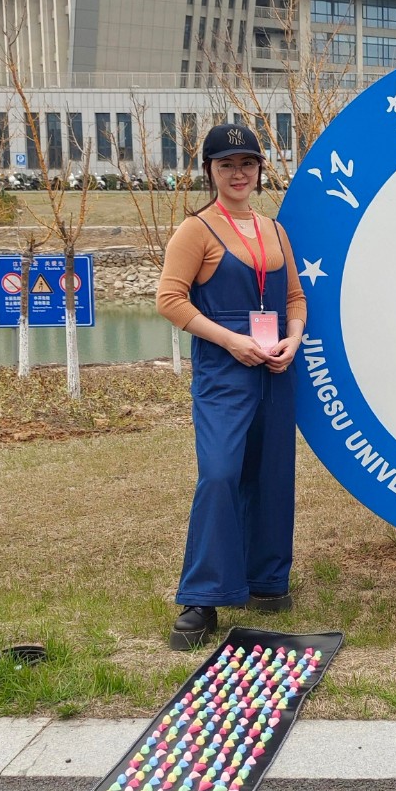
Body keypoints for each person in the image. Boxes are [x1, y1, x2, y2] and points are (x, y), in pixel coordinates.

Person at [156, 123, 306, 650]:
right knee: (220, 473)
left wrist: (293, 340)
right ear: (210, 171)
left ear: (260, 170)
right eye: (227, 165)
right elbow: (170, 300)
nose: (238, 173)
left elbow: (294, 298)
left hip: (275, 368)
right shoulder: (195, 230)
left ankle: (266, 580)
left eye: (247, 163)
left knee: (271, 474)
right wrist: (231, 341)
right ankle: (202, 597)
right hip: (225, 369)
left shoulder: (275, 230)